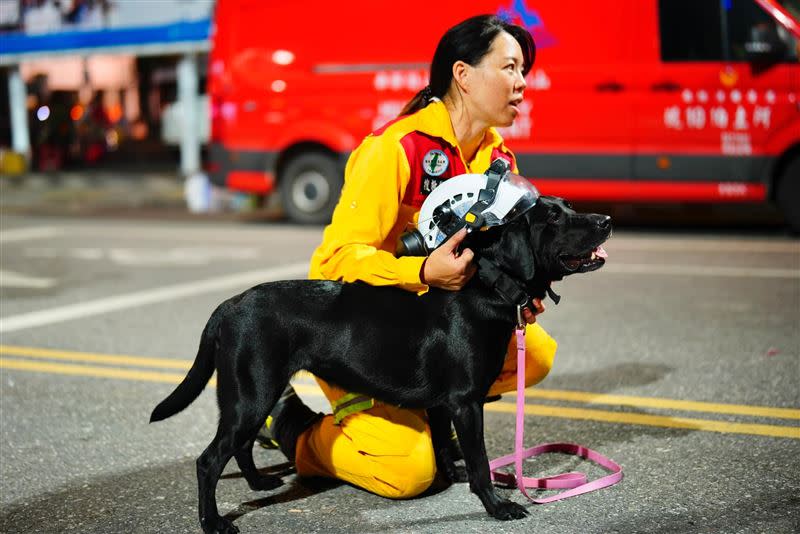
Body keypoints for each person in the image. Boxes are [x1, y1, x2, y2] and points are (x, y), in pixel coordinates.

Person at [259, 14, 558, 499]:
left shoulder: (497, 159)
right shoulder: (396, 149)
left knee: (536, 353)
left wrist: (520, 292)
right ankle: (291, 425)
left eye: (523, 71)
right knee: (409, 474)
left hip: (431, 338)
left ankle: (432, 408)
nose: (523, 83)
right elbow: (333, 263)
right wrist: (420, 271)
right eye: (510, 68)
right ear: (463, 75)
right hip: (362, 337)